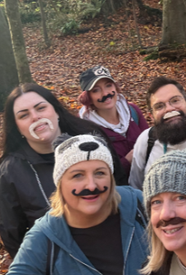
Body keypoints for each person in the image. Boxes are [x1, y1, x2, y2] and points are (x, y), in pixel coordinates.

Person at [0, 134, 148, 275]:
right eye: (77, 175)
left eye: (100, 173)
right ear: (60, 183)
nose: (91, 185)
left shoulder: (138, 206)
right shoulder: (44, 239)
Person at [0, 83, 126, 258]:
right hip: (60, 265)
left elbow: (121, 186)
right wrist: (43, 270)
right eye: (24, 115)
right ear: (17, 127)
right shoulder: (10, 172)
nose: (35, 117)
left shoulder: (91, 138)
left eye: (41, 108)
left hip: (116, 249)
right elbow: (13, 234)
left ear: (56, 111)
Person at [129, 76, 186, 190]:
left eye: (175, 100)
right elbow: (137, 189)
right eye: (159, 106)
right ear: (151, 116)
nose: (169, 109)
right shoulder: (146, 141)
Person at [78, 65, 149, 176]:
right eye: (96, 90)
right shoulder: (87, 130)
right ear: (88, 97)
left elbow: (151, 143)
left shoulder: (133, 111)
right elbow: (98, 174)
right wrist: (127, 160)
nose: (105, 93)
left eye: (108, 85)